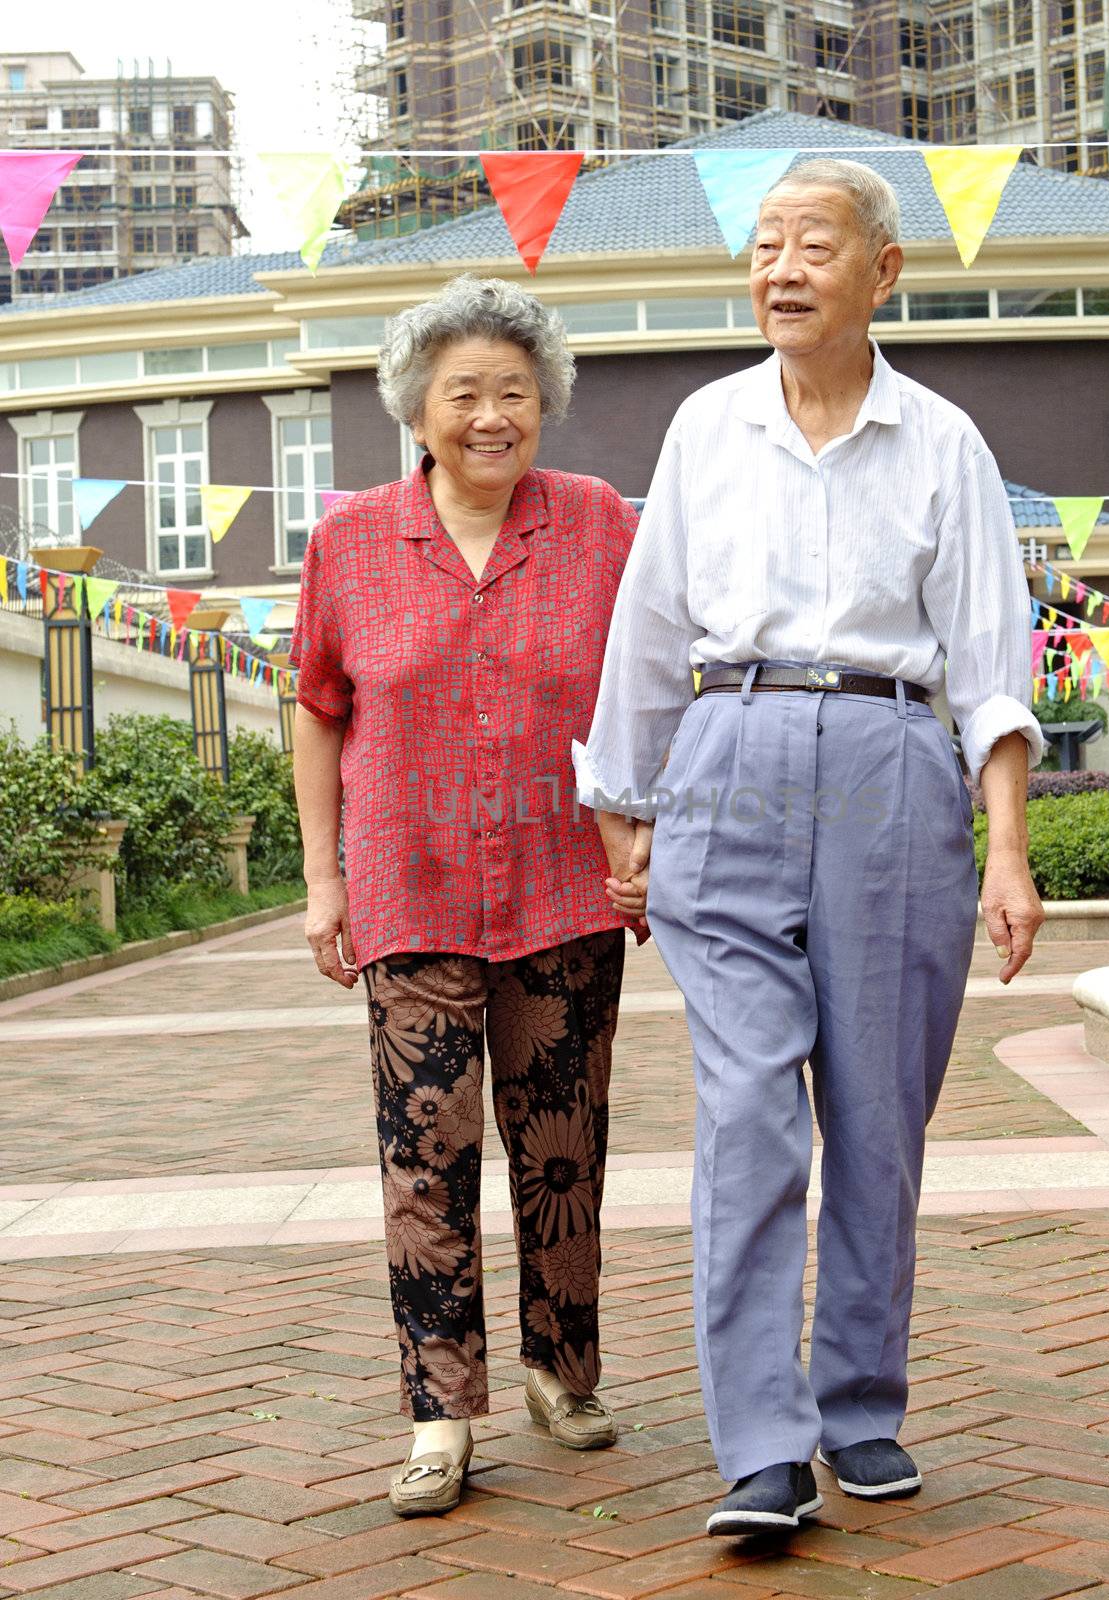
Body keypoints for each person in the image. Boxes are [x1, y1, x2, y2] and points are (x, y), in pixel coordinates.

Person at [573, 160, 1046, 1537]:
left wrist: (1004, 850)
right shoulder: (703, 428)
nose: (780, 266)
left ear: (881, 274)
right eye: (764, 242)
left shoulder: (943, 442)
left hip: (894, 763)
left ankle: (857, 1404)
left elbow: (988, 665)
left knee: (877, 1116)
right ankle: (761, 1445)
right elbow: (650, 630)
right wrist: (625, 811)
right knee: (747, 1114)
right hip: (727, 754)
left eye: (813, 244)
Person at [291, 274, 642, 1519]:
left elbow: (646, 692)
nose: (493, 414)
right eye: (465, 394)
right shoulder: (349, 542)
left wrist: (641, 832)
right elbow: (321, 711)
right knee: (422, 1154)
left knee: (561, 1146)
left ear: (543, 400)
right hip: (411, 887)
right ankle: (441, 1414)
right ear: (417, 410)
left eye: (514, 391)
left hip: (565, 883)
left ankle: (562, 1368)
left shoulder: (600, 522)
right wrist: (324, 877)